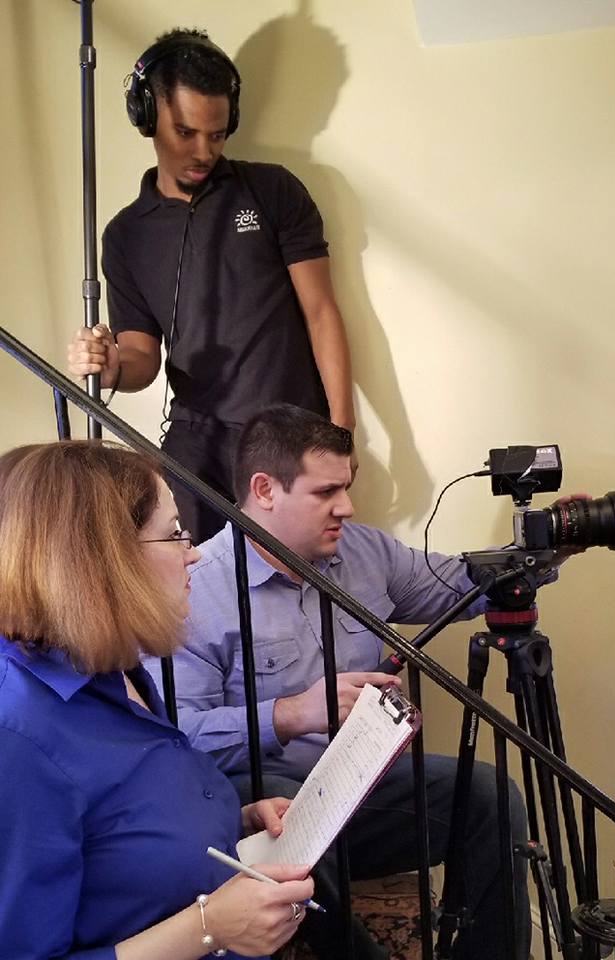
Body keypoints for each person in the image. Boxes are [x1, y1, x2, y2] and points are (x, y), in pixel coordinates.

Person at [158, 403, 555, 960]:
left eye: (345, 487)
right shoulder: (196, 589)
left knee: (489, 794)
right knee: (285, 808)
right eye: (326, 492)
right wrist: (291, 713)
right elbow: (177, 739)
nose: (346, 506)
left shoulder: (365, 552)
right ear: (265, 490)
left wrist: (543, 552)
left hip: (360, 794)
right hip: (265, 807)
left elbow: (459, 585)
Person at [0, 440, 314, 959]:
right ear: (103, 559)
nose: (194, 552)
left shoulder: (112, 665)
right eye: (173, 534)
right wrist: (208, 927)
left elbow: (115, 831)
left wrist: (231, 821)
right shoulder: (19, 736)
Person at [66, 28, 355, 544]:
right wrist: (112, 367)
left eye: (217, 135)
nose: (203, 151)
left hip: (289, 430)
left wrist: (342, 431)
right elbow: (141, 356)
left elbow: (321, 313)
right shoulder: (125, 235)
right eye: (186, 132)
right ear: (147, 117)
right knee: (181, 566)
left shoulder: (273, 190)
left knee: (296, 574)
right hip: (197, 440)